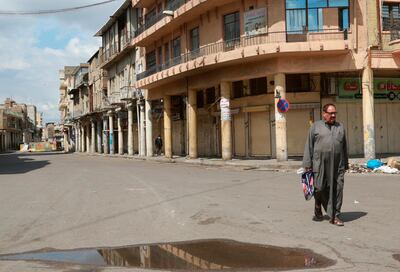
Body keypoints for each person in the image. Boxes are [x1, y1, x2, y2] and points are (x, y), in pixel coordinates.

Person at [302, 103, 349, 226]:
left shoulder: (340, 127)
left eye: (335, 113)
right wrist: (307, 163)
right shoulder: (315, 127)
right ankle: (318, 204)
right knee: (320, 188)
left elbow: (344, 147)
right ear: (324, 114)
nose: (333, 115)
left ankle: (335, 215)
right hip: (319, 163)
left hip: (337, 164)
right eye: (330, 113)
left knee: (338, 189)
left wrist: (346, 164)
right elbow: (309, 145)